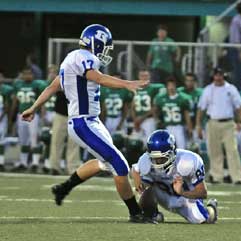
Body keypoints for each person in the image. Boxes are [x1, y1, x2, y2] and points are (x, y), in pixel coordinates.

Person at [21, 24, 149, 223]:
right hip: (83, 123)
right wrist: (126, 84)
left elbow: (52, 87)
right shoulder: (82, 57)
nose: (106, 51)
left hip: (90, 122)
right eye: (104, 46)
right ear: (95, 43)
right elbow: (96, 77)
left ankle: (63, 188)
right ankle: (135, 213)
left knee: (103, 164)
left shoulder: (70, 61)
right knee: (120, 165)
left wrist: (33, 107)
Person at [131, 130, 218, 224]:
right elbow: (135, 170)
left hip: (185, 198)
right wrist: (139, 187)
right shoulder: (146, 160)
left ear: (172, 153)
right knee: (146, 191)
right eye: (154, 158)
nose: (157, 161)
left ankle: (211, 208)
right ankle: (153, 214)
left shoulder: (188, 161)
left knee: (203, 219)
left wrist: (182, 192)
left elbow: (203, 193)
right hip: (163, 194)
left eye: (161, 158)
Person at [196, 67, 241, 185]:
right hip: (213, 122)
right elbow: (201, 108)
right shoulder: (208, 90)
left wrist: (240, 121)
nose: (218, 77)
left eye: (220, 75)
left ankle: (236, 177)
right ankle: (217, 176)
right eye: (216, 75)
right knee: (214, 151)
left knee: (232, 150)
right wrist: (198, 125)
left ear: (224, 75)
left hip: (228, 123)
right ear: (213, 76)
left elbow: (239, 107)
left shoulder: (231, 89)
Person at [11, 67, 47, 172]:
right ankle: (23, 162)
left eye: (29, 74)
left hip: (33, 115)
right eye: (25, 74)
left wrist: (42, 115)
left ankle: (35, 163)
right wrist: (12, 117)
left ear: (33, 75)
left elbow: (42, 101)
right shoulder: (18, 84)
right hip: (20, 115)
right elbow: (15, 102)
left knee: (34, 139)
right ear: (22, 75)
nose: (27, 76)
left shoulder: (37, 85)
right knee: (23, 140)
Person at [153, 77, 192, 149]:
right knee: (167, 148)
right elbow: (155, 109)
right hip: (167, 126)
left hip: (179, 126)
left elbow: (186, 114)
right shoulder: (161, 98)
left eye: (173, 85)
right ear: (166, 87)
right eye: (169, 85)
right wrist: (157, 119)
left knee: (181, 147)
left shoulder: (182, 98)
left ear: (176, 86)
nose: (171, 87)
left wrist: (189, 127)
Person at [131, 68, 165, 142]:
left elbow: (155, 106)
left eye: (146, 76)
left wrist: (142, 118)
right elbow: (133, 106)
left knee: (149, 143)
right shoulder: (136, 88)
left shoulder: (154, 88)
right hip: (137, 120)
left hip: (149, 119)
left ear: (150, 76)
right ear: (138, 76)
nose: (144, 78)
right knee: (134, 143)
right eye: (142, 76)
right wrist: (135, 120)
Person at [40, 65, 59, 173]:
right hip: (47, 113)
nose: (52, 74)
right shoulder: (44, 85)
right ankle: (46, 163)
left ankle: (59, 162)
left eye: (54, 72)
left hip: (58, 113)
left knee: (57, 140)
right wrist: (43, 116)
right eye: (50, 72)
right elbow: (42, 102)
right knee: (46, 138)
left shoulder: (61, 85)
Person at [0, 72, 13, 171]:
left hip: (1, 118)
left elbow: (7, 105)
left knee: (1, 140)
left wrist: (3, 116)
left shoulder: (5, 90)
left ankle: (1, 161)